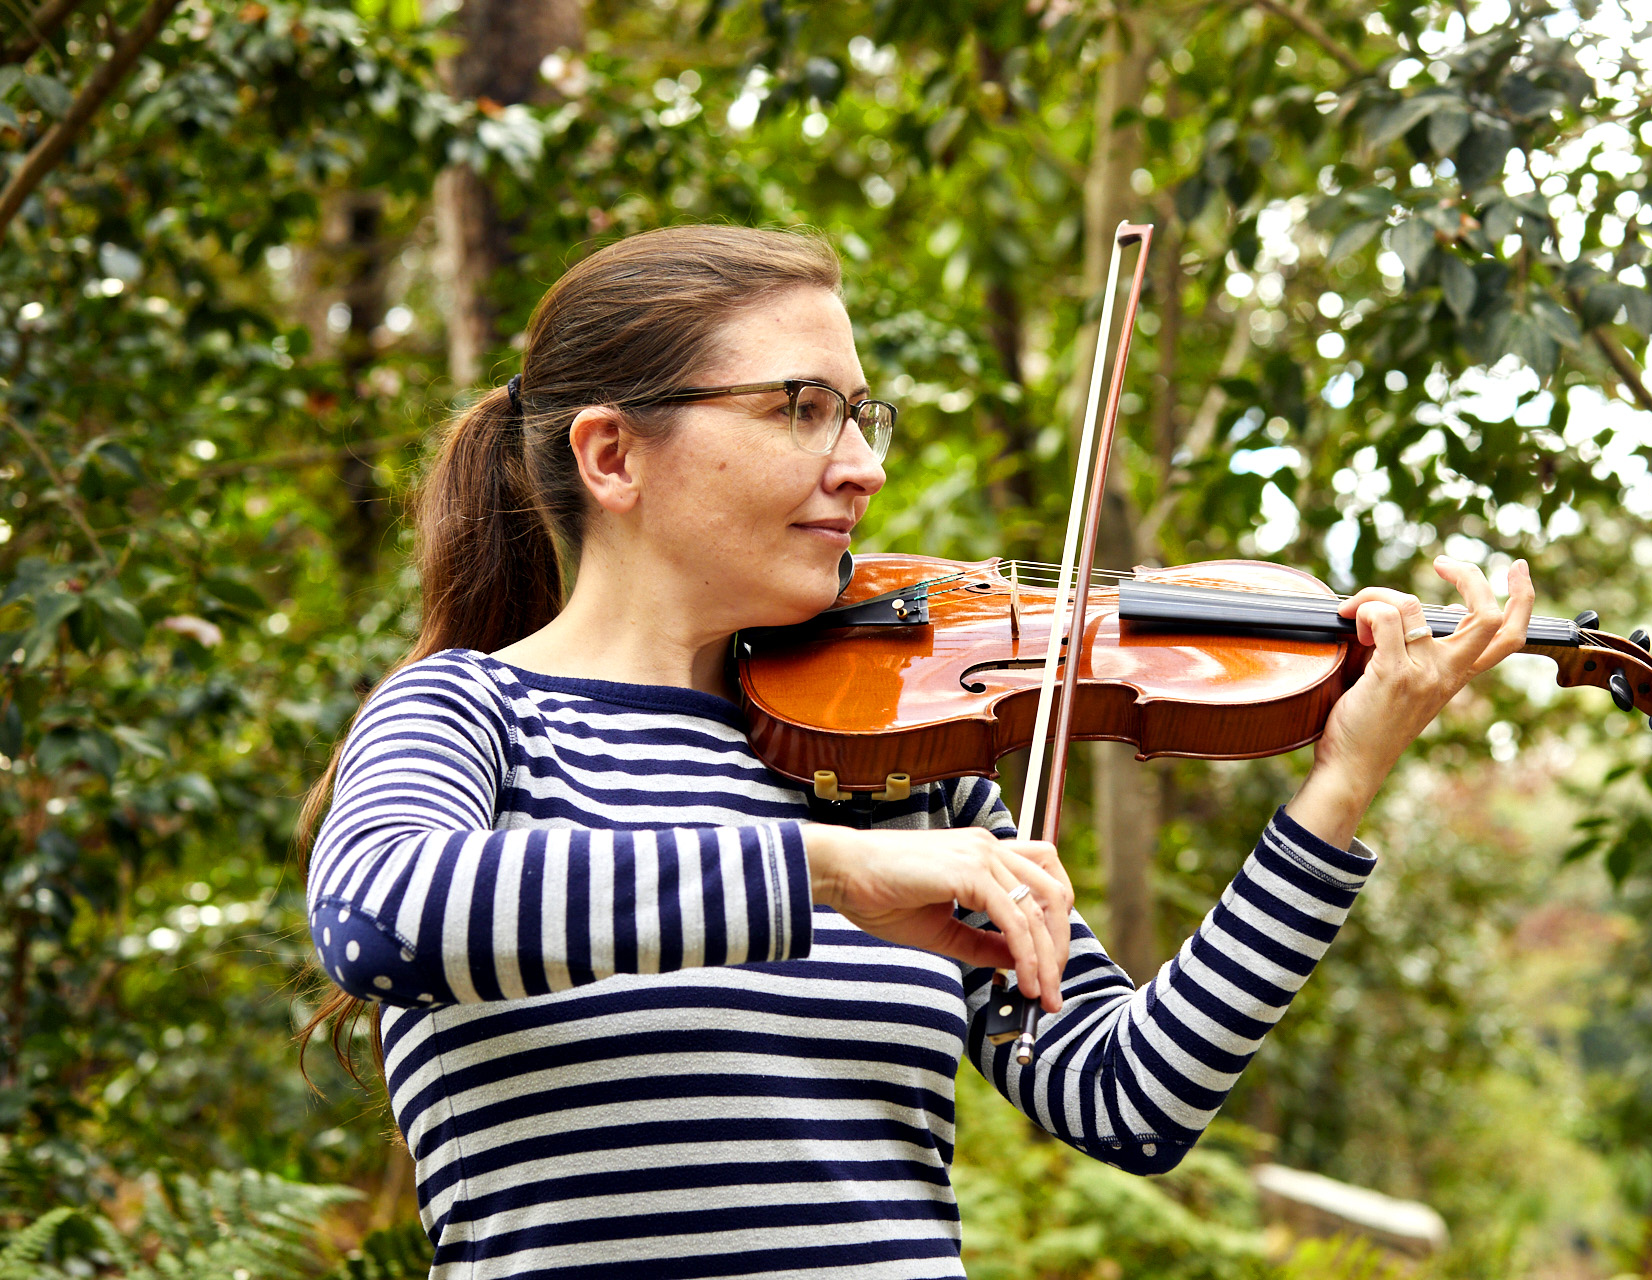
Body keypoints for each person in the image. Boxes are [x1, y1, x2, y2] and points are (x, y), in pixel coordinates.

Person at [299, 224, 1534, 1279]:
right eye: (801, 410)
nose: (865, 466)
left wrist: (1341, 780)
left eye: (860, 412)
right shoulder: (470, 716)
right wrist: (832, 869)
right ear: (614, 454)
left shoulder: (894, 759)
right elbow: (383, 914)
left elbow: (1128, 1093)